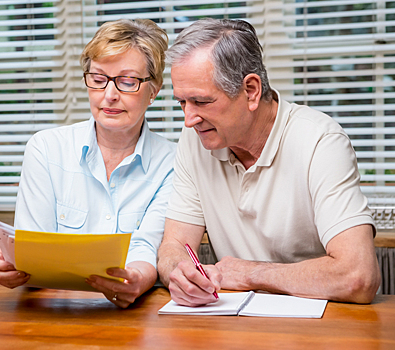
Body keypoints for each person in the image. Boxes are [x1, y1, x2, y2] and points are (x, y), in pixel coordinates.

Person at [157, 18, 381, 307]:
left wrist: (251, 273)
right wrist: (180, 273)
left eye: (201, 102)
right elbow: (173, 246)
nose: (189, 120)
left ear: (251, 90)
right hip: (235, 324)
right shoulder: (195, 140)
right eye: (181, 103)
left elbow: (357, 276)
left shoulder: (320, 140)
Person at [0, 19, 176, 308]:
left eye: (127, 81)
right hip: (50, 313)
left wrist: (137, 278)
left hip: (133, 315)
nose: (109, 95)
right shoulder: (46, 149)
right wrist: (12, 263)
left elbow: (146, 246)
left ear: (154, 90)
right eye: (99, 79)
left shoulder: (173, 162)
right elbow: (34, 252)